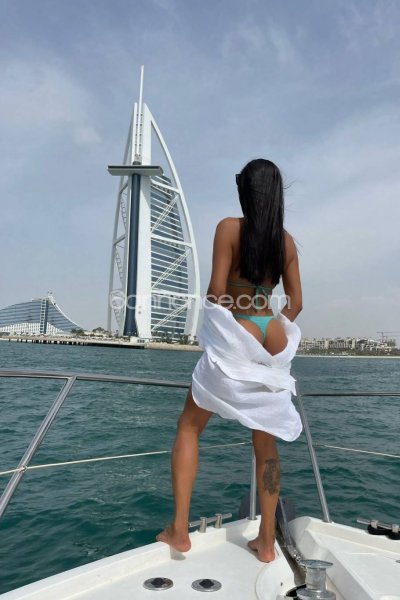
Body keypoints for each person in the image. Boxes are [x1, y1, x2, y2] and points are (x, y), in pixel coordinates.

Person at [156, 158, 302, 562]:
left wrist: (234, 331)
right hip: (272, 334)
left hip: (243, 329)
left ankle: (179, 531)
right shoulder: (287, 242)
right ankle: (267, 543)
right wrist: (271, 324)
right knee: (265, 443)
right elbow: (297, 302)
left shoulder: (229, 228)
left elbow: (216, 291)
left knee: (189, 426)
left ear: (244, 192)